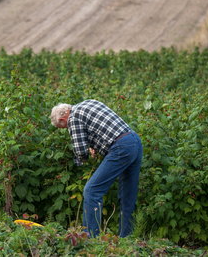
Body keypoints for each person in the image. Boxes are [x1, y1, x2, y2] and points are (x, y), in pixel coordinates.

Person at [50, 99, 142, 237]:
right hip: (134, 141)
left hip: (121, 148)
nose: (67, 129)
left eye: (64, 128)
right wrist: (94, 146)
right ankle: (127, 238)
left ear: (63, 119)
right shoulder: (89, 102)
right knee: (127, 195)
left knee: (92, 190)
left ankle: (91, 238)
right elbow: (101, 128)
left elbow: (80, 151)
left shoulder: (73, 118)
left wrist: (84, 159)